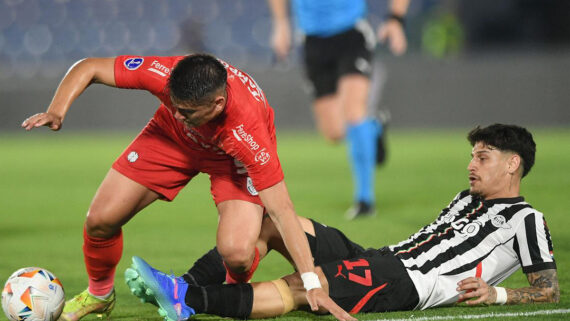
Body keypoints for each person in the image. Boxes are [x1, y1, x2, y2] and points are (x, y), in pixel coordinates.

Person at [21, 54, 350, 321]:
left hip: (231, 161)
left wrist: (310, 282)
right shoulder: (165, 78)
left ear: (218, 104)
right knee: (100, 219)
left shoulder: (247, 133)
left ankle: (236, 296)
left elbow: (282, 210)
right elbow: (89, 66)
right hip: (171, 141)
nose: (177, 113)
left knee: (236, 253)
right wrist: (57, 110)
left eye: (187, 110)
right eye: (173, 104)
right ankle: (99, 294)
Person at [126, 124, 559, 320]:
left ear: (513, 165)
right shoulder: (467, 198)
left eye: (482, 157)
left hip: (411, 282)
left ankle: (191, 299)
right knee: (277, 222)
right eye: (471, 155)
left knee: (304, 285)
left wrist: (497, 294)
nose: (471, 165)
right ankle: (178, 284)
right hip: (383, 258)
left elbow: (548, 291)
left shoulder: (527, 220)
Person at [268, 0, 410, 219]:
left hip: (351, 35)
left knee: (354, 113)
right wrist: (281, 24)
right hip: (312, 41)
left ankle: (365, 200)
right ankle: (373, 128)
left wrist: (396, 20)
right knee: (334, 133)